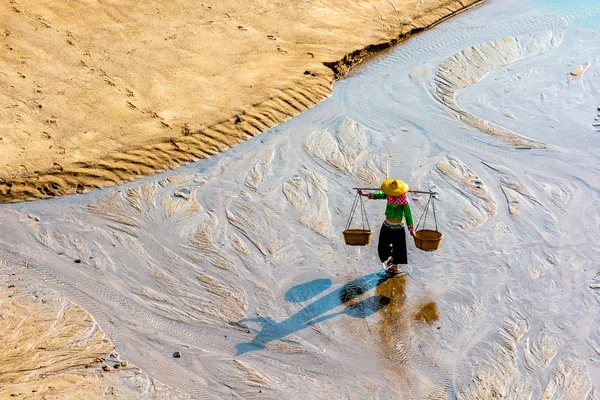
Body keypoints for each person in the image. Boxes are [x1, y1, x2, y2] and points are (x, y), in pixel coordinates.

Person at [359, 179, 414, 274]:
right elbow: (379, 195)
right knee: (382, 245)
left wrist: (411, 229)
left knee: (399, 247)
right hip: (387, 224)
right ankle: (392, 257)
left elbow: (408, 214)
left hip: (398, 227)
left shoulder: (404, 201)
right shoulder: (389, 196)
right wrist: (364, 194)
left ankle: (395, 266)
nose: (391, 195)